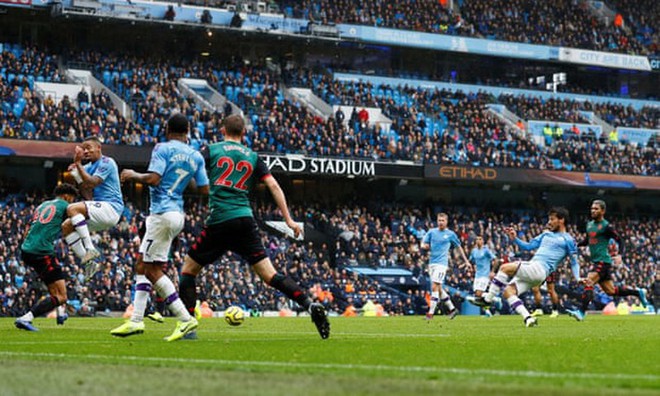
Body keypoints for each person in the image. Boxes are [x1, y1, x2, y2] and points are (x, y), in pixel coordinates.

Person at [177, 114, 330, 340]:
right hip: (245, 220)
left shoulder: (212, 149)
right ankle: (309, 304)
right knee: (270, 275)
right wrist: (288, 220)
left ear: (222, 130)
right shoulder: (253, 156)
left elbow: (191, 172)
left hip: (220, 219)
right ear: (244, 133)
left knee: (188, 271)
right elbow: (274, 186)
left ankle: (189, 329)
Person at [111, 113, 209, 341]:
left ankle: (185, 319)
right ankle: (136, 320)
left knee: (152, 270)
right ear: (187, 130)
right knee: (143, 264)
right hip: (176, 214)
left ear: (167, 129)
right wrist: (182, 180)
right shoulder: (195, 156)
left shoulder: (162, 148)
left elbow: (154, 179)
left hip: (162, 213)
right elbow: (204, 188)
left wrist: (134, 174)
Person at [468, 207, 580, 327]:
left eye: (552, 219)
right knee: (508, 291)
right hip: (535, 270)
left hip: (540, 269)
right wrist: (515, 238)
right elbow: (528, 246)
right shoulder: (546, 234)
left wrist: (578, 278)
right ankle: (528, 318)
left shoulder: (568, 239)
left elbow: (574, 262)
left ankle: (488, 300)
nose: (549, 222)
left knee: (504, 268)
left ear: (561, 220)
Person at [567, 200, 648, 321]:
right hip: (597, 261)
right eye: (592, 208)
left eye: (596, 209)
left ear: (603, 211)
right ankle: (637, 292)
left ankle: (581, 312)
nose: (593, 211)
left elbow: (620, 240)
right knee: (611, 291)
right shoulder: (589, 225)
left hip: (603, 261)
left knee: (589, 281)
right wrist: (576, 245)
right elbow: (587, 241)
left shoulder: (606, 226)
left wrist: (620, 254)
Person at [15, 183, 79, 331]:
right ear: (66, 196)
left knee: (53, 288)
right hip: (42, 251)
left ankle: (60, 313)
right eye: (71, 199)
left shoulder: (43, 205)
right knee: (62, 296)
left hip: (27, 249)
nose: (71, 203)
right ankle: (26, 318)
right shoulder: (65, 206)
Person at [62, 136, 124, 281]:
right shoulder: (88, 167)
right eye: (83, 149)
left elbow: (92, 182)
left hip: (112, 208)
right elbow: (87, 193)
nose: (86, 151)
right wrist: (77, 175)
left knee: (72, 209)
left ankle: (90, 248)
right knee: (66, 226)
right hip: (100, 210)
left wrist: (78, 164)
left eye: (89, 147)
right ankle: (89, 263)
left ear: (98, 148)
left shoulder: (107, 162)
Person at [420, 212, 471, 321]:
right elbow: (423, 242)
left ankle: (430, 313)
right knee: (438, 289)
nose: (441, 222)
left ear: (446, 222)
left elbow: (459, 247)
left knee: (434, 286)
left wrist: (466, 261)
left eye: (443, 220)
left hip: (442, 264)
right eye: (439, 220)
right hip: (431, 264)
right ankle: (452, 309)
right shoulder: (432, 232)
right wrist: (424, 246)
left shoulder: (450, 234)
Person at [468, 235, 500, 317]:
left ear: (483, 241)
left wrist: (492, 271)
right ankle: (494, 302)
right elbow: (471, 260)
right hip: (477, 275)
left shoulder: (486, 251)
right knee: (478, 296)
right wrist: (465, 265)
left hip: (485, 275)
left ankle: (492, 302)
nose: (478, 240)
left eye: (480, 239)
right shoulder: (474, 251)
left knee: (479, 294)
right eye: (477, 239)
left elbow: (496, 259)